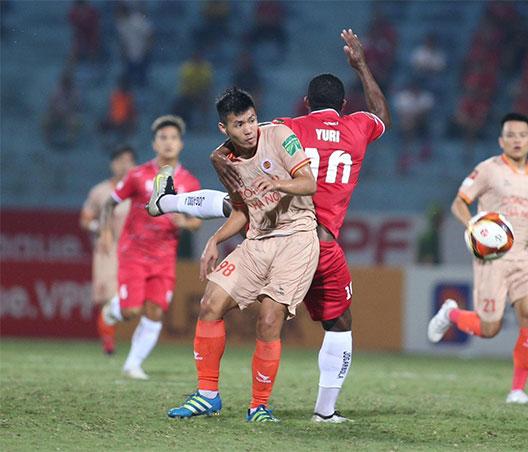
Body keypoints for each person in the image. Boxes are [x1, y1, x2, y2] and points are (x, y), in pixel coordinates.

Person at [150, 29, 390, 422]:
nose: (248, 127)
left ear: (307, 103)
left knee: (238, 210)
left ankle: (168, 201)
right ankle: (324, 412)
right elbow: (382, 115)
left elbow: (253, 162)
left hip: (296, 235)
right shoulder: (356, 127)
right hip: (318, 241)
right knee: (338, 322)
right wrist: (362, 65)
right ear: (344, 104)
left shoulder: (285, 127)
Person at [165, 88, 319, 422]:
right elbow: (241, 210)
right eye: (239, 124)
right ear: (225, 129)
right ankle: (207, 395)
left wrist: (279, 183)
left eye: (251, 120)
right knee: (209, 304)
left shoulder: (279, 135)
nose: (249, 129)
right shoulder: (221, 159)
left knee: (268, 320)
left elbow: (308, 183)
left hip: (297, 238)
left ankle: (259, 406)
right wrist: (215, 240)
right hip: (258, 239)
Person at [427, 113, 528, 404]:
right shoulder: (488, 170)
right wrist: (473, 226)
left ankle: (517, 390)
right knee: (489, 328)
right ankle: (451, 313)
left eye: (521, 135)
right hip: (493, 257)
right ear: (501, 140)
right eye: (510, 135)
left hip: (525, 255)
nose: (516, 140)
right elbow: (459, 203)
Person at [99, 116, 202, 380]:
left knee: (155, 310)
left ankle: (133, 364)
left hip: (165, 256)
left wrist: (186, 222)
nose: (168, 143)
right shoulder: (137, 175)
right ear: (154, 144)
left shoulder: (189, 183)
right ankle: (114, 309)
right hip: (134, 252)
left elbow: (197, 222)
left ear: (181, 144)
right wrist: (106, 233)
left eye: (173, 138)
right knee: (131, 311)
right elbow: (109, 204)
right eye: (163, 138)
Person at [80, 145, 136, 354]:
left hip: (135, 250)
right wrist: (99, 227)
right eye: (120, 160)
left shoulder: (140, 189)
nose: (124, 164)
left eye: (129, 160)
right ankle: (109, 343)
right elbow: (85, 219)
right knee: (109, 298)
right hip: (109, 250)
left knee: (130, 303)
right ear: (112, 164)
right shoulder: (100, 191)